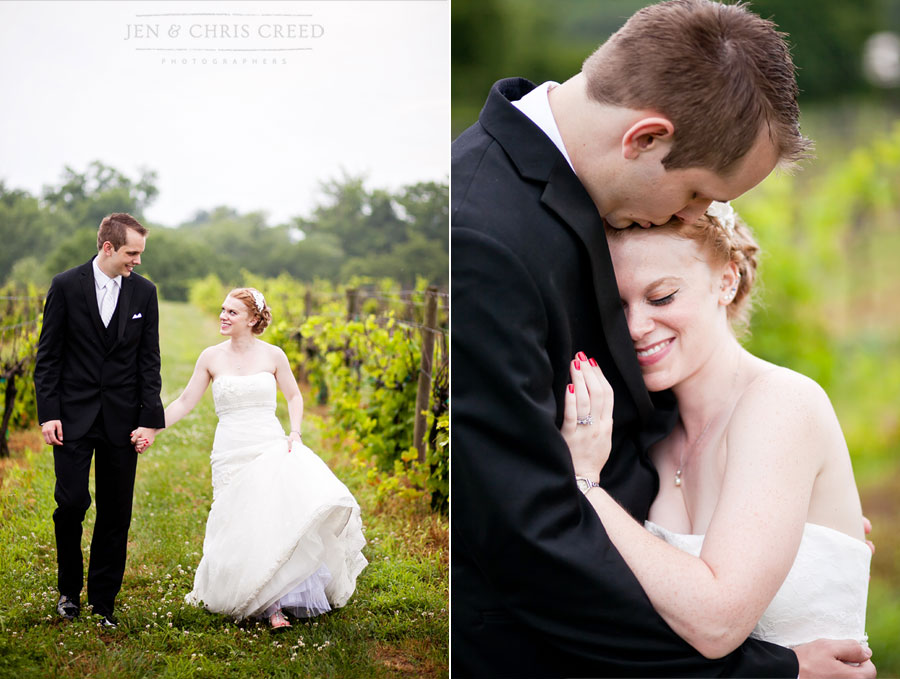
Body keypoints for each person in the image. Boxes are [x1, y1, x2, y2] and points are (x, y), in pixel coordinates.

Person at [451, 0, 874, 675]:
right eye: (698, 194)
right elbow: (528, 536)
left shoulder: (572, 199)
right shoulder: (483, 236)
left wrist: (783, 520)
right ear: (645, 138)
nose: (695, 217)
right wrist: (770, 669)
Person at [561, 204, 870, 657]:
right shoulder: (650, 439)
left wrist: (585, 485)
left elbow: (716, 622)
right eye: (617, 305)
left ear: (726, 281)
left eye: (662, 296)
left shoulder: (782, 403)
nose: (636, 327)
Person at [135, 287, 367, 629]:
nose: (223, 316)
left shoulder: (273, 356)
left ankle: (275, 604)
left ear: (254, 319)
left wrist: (295, 432)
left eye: (232, 312)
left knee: (269, 519)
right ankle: (250, 594)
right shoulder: (210, 357)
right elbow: (185, 401)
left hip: (267, 443)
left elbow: (293, 396)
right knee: (236, 520)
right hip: (230, 447)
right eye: (223, 310)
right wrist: (153, 429)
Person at [34, 213, 164, 628]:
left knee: (116, 512)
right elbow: (48, 357)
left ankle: (103, 601)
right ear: (108, 248)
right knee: (70, 504)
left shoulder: (145, 293)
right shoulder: (65, 286)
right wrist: (49, 413)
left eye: (140, 253)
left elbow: (149, 362)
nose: (137, 261)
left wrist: (149, 420)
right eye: (132, 252)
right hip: (72, 417)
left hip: (122, 421)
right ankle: (69, 592)